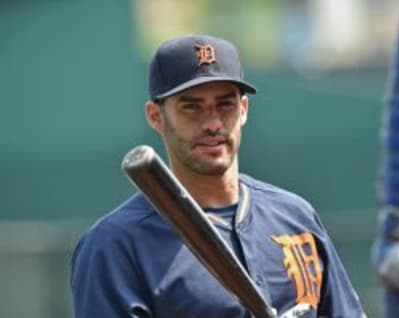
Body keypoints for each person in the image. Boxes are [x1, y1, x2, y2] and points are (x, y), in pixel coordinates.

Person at [70, 34, 365, 318]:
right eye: (191, 107)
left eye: (225, 104)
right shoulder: (114, 244)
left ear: (244, 110)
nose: (212, 123)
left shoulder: (295, 216)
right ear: (156, 117)